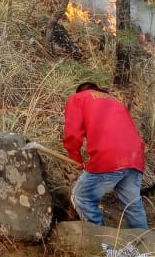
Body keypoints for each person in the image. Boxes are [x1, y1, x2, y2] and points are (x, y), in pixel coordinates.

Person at [63, 82, 148, 229]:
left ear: (80, 91)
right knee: (132, 206)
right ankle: (145, 245)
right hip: (135, 158)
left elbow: (72, 133)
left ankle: (101, 241)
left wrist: (74, 156)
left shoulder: (78, 98)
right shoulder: (114, 101)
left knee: (81, 197)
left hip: (109, 157)